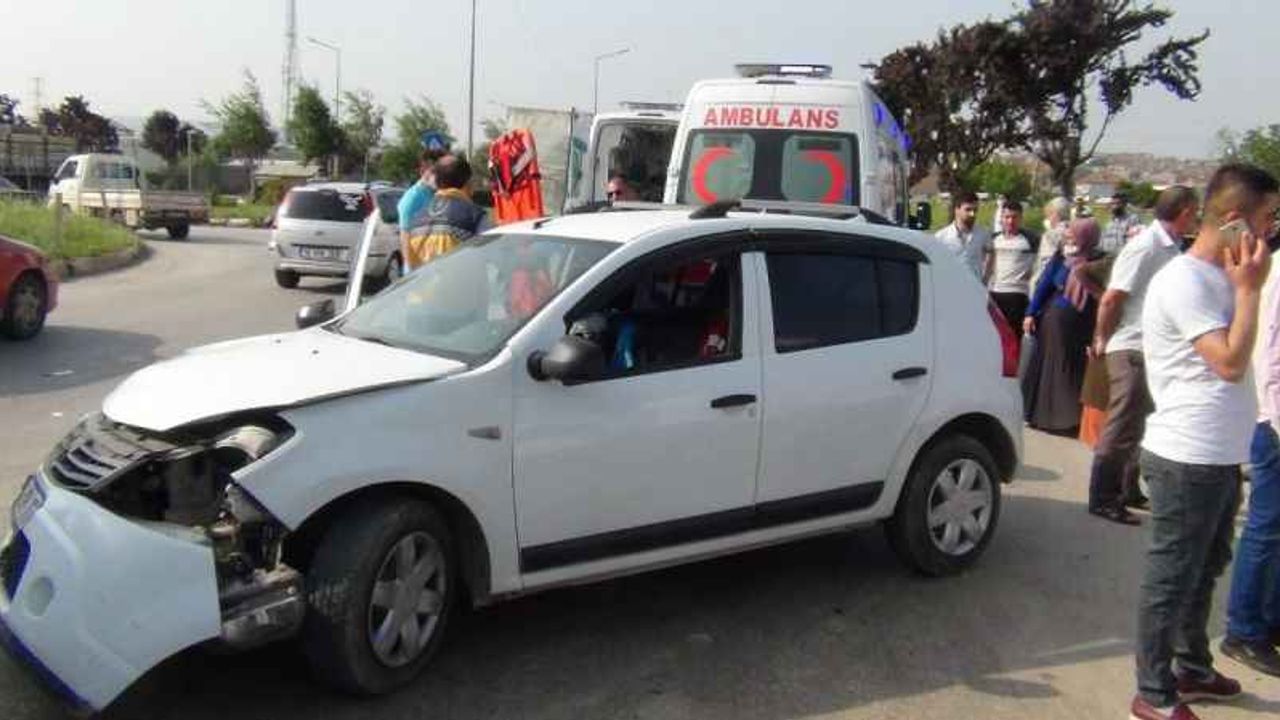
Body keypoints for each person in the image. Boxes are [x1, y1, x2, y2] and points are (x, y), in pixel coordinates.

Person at [1128, 163, 1279, 720]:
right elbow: (1230, 362)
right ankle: (1153, 692)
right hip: (1185, 456)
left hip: (1220, 454)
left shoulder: (1223, 275)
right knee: (1171, 578)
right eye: (1268, 217)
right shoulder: (1185, 281)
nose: (1272, 229)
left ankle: (1191, 665)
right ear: (1236, 220)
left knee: (1206, 568)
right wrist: (1250, 291)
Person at [1086, 186, 1200, 526]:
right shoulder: (1145, 246)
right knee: (1122, 425)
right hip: (1131, 348)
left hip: (1152, 350)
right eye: (1195, 211)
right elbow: (1112, 298)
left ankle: (1128, 490)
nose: (1197, 218)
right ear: (1184, 212)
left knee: (1140, 425)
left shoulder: (1170, 247)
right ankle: (1103, 497)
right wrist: (1102, 338)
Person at [1221, 241, 1280, 676]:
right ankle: (1243, 630)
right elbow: (1270, 359)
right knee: (1265, 529)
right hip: (1274, 424)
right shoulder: (1275, 271)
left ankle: (1269, 620)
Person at [1021, 218, 1105, 433]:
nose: (1069, 239)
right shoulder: (1062, 257)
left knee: (1074, 370)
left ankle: (1070, 420)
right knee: (1056, 369)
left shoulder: (1099, 261)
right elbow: (1044, 284)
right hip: (1056, 321)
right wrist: (1030, 313)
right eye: (1069, 235)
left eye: (1075, 235)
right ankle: (1051, 419)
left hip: (1083, 324)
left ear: (1087, 237)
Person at [404, 155, 492, 270]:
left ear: (437, 182)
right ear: (468, 183)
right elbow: (492, 256)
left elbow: (411, 266)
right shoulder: (475, 216)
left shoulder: (416, 220)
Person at [989, 200, 1037, 339]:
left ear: (1021, 218)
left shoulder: (1031, 240)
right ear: (1001, 218)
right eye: (1007, 217)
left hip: (1017, 296)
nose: (1010, 221)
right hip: (994, 294)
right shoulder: (992, 239)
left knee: (1014, 337)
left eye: (1014, 217)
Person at [398, 148, 445, 265]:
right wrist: (414, 273)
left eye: (443, 172)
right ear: (423, 170)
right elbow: (406, 242)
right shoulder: (412, 199)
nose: (441, 177)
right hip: (420, 270)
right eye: (436, 171)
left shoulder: (437, 193)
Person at [935, 190, 992, 282]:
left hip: (974, 285)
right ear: (957, 210)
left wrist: (985, 278)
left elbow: (991, 253)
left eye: (975, 210)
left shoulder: (983, 233)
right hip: (950, 284)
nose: (972, 214)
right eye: (968, 210)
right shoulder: (941, 236)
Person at [1032, 196, 1072, 289]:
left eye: (1049, 214)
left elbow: (1046, 259)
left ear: (1056, 214)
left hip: (1048, 279)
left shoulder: (1052, 234)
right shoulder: (1073, 229)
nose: (1048, 218)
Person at [1102, 191, 1144, 255]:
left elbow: (1137, 241)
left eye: (1118, 203)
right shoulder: (1110, 223)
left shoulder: (1133, 219)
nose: (1115, 206)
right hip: (1109, 256)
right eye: (1113, 203)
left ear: (1124, 204)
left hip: (1125, 256)